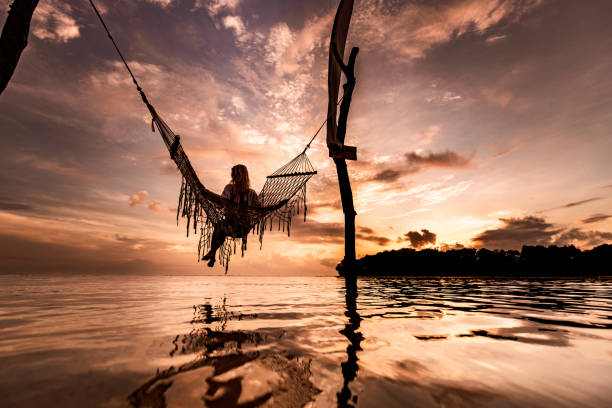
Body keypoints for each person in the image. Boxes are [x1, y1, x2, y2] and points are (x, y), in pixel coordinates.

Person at [201, 164, 261, 267]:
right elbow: (222, 200)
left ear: (239, 176)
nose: (233, 177)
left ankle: (212, 253)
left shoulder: (249, 193)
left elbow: (260, 208)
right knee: (221, 230)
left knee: (220, 227)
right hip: (235, 226)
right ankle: (212, 254)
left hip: (240, 227)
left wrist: (274, 206)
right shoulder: (235, 189)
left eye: (234, 175)